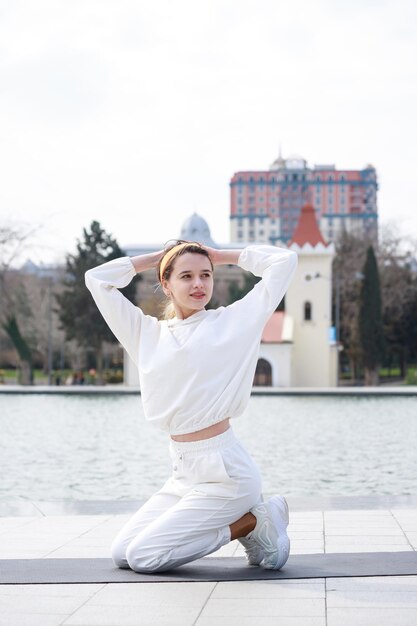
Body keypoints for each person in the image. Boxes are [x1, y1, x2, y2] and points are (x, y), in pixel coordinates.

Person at [85, 240, 297, 573]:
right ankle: (255, 526)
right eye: (186, 276)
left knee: (144, 557)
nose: (198, 284)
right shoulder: (146, 334)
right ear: (166, 284)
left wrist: (223, 255)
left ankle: (250, 524)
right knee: (122, 553)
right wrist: (155, 259)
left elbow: (285, 261)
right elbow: (97, 280)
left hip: (227, 473)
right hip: (182, 473)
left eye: (205, 274)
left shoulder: (233, 322)